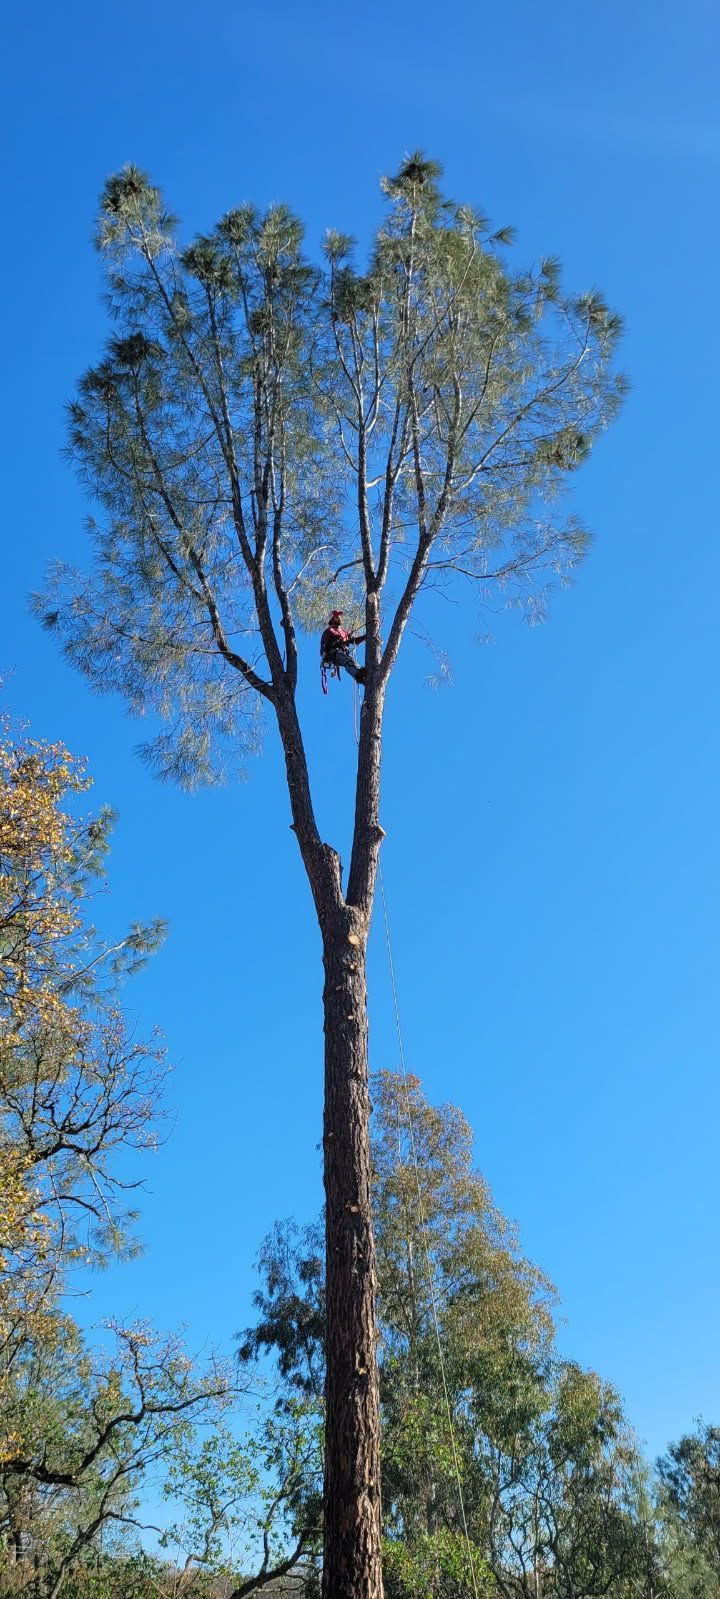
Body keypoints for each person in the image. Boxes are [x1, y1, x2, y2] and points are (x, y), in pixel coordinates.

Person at [320, 610, 366, 684]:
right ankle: (358, 675)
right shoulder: (329, 630)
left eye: (340, 617)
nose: (339, 618)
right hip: (334, 653)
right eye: (337, 617)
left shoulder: (344, 633)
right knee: (348, 661)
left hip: (342, 653)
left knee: (350, 661)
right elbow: (325, 644)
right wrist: (325, 655)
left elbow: (354, 641)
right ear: (333, 620)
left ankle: (361, 673)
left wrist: (365, 637)